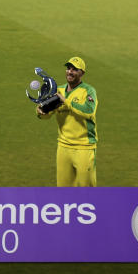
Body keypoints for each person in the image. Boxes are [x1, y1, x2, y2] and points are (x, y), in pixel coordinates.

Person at [36, 56, 97, 186]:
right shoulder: (59, 91)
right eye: (68, 68)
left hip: (84, 147)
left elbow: (88, 111)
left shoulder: (88, 91)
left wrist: (65, 101)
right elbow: (47, 115)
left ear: (82, 73)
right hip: (63, 147)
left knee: (88, 191)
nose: (70, 72)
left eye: (75, 69)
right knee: (63, 192)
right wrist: (41, 112)